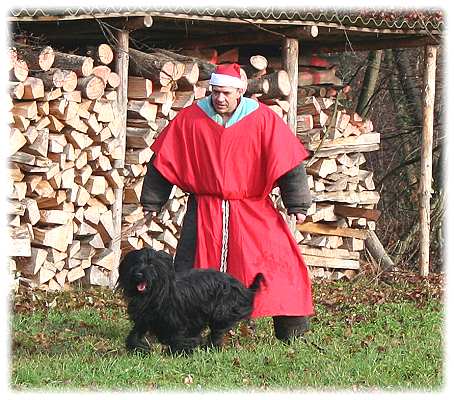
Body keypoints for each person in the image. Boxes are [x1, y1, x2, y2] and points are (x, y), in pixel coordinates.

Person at [140, 63, 313, 342]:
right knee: (190, 277)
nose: (220, 99)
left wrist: (298, 204)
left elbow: (289, 164)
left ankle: (292, 328)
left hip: (252, 210)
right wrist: (152, 201)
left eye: (226, 94)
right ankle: (177, 331)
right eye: (215, 92)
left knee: (278, 268)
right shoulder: (191, 118)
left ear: (241, 92)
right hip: (204, 213)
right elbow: (163, 162)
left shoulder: (263, 119)